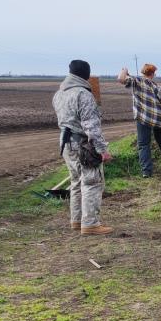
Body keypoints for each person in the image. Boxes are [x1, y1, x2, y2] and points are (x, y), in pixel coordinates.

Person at [53, 59, 113, 236]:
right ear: (86, 75)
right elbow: (91, 127)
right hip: (83, 145)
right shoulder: (83, 94)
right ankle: (91, 224)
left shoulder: (59, 94)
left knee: (76, 182)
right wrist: (103, 150)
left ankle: (77, 220)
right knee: (92, 182)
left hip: (66, 144)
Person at [118, 63, 161, 178]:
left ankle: (146, 172)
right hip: (159, 118)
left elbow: (121, 79)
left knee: (143, 144)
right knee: (160, 137)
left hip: (143, 118)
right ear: (153, 74)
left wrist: (124, 70)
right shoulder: (157, 86)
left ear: (143, 72)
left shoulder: (137, 81)